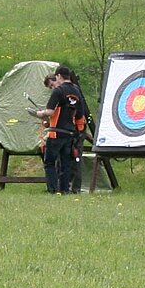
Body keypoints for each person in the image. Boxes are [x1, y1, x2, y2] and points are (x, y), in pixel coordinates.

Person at [41, 65, 87, 194]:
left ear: (59, 76)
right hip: (69, 134)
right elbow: (79, 115)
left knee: (49, 163)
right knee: (66, 163)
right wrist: (79, 132)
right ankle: (65, 190)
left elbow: (50, 111)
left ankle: (53, 190)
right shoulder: (76, 91)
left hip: (55, 134)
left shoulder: (59, 91)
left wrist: (40, 114)